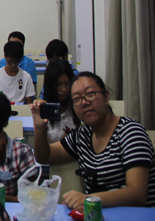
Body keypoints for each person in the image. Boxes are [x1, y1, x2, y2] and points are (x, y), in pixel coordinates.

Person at [32, 72, 155, 208]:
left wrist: (89, 199)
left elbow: (138, 194)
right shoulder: (83, 135)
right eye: (77, 99)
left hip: (137, 218)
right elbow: (45, 156)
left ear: (106, 96)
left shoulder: (131, 132)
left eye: (90, 94)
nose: (84, 102)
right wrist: (40, 129)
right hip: (97, 217)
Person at [38, 59, 79, 143]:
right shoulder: (43, 112)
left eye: (67, 84)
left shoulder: (76, 108)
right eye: (59, 84)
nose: (64, 89)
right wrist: (63, 143)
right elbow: (41, 149)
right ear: (50, 85)